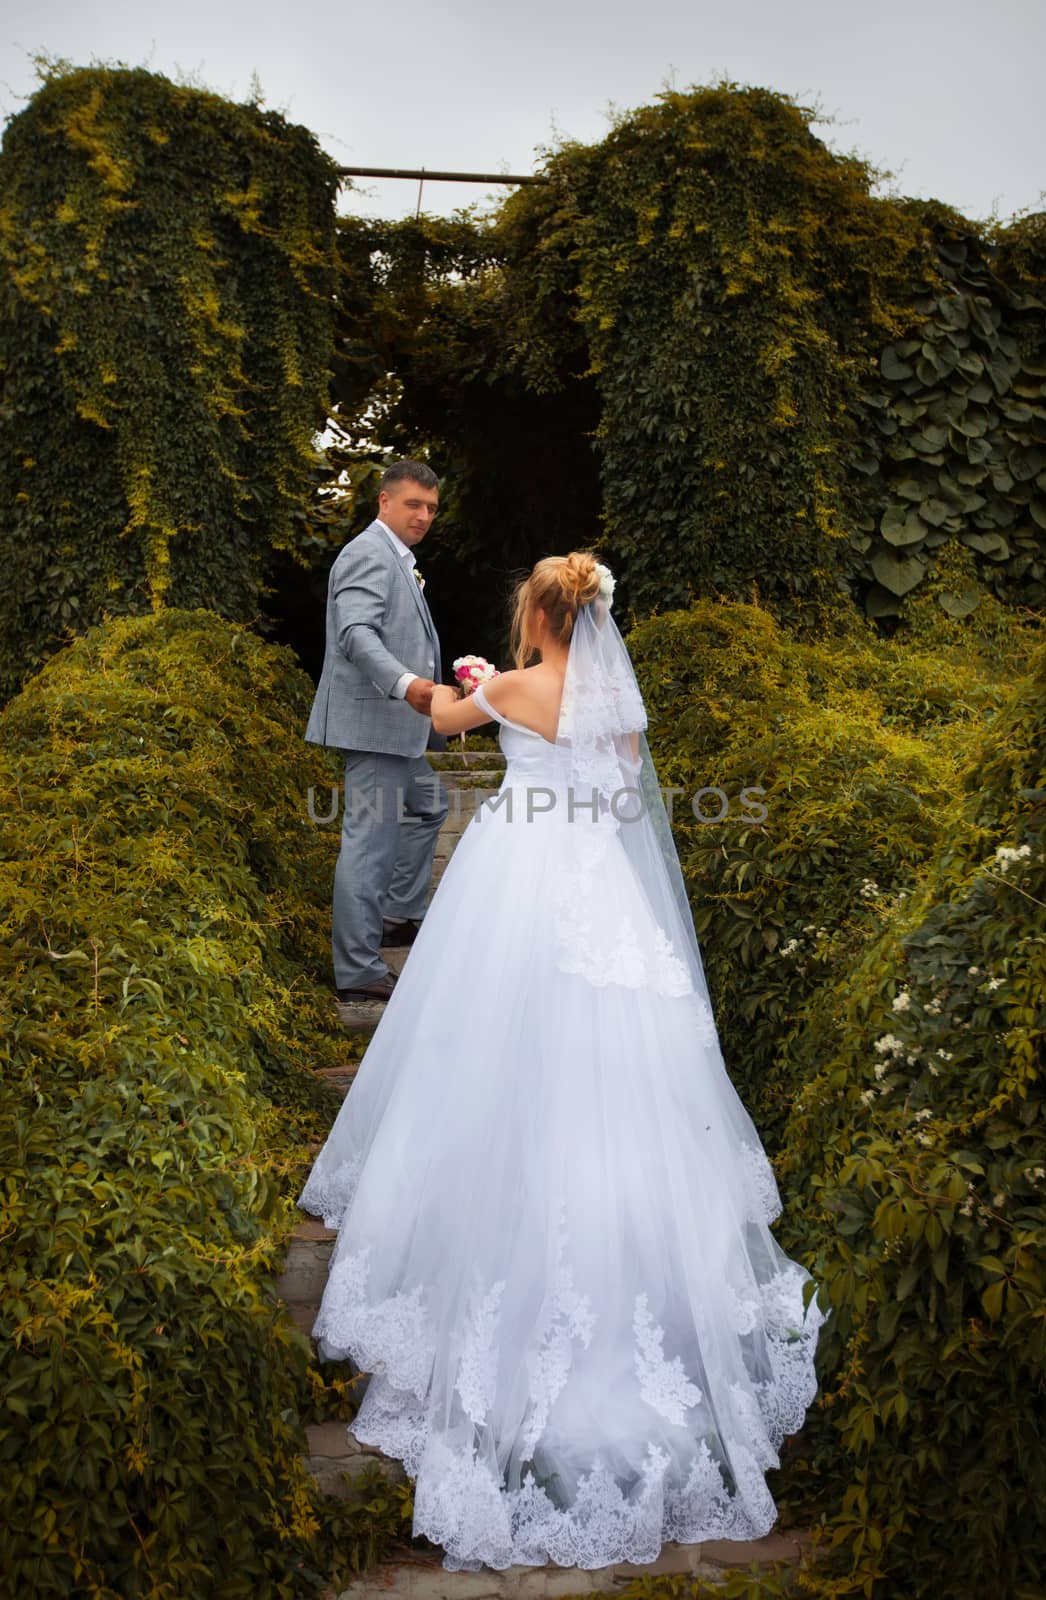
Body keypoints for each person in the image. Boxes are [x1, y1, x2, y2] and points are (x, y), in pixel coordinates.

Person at [297, 551, 827, 1575]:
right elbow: (617, 788)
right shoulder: (613, 702)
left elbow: (444, 723)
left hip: (519, 885)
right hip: (599, 888)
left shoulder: (513, 683)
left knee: (486, 1045)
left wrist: (458, 680)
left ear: (537, 615)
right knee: (625, 1071)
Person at [304, 461, 450, 1013]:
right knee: (369, 845)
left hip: (396, 730)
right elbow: (355, 632)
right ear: (384, 502)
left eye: (431, 508)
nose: (423, 516)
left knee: (431, 803)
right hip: (377, 724)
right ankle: (359, 970)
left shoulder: (398, 558)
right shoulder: (369, 551)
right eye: (413, 504)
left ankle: (394, 915)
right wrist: (406, 682)